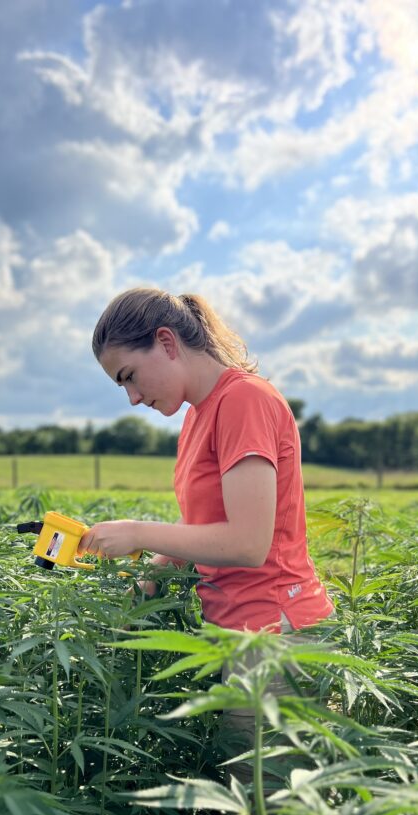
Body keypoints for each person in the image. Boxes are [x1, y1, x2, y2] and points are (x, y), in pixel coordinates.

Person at [79, 287, 334, 786]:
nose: (132, 397)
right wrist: (151, 574)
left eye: (129, 376)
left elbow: (248, 542)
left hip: (277, 638)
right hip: (238, 635)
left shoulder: (244, 400)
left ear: (167, 342)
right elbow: (203, 528)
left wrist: (137, 532)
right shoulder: (199, 415)